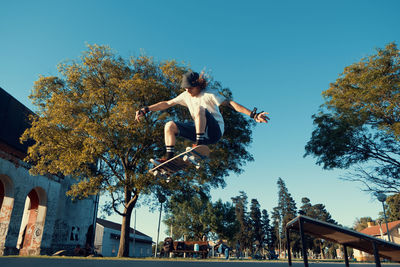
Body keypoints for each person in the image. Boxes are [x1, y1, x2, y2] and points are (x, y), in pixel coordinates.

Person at [136, 71, 269, 162]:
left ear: (198, 86)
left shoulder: (209, 94)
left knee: (200, 109)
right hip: (199, 128)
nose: (187, 90)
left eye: (190, 88)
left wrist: (253, 114)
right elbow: (166, 103)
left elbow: (230, 104)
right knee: (169, 125)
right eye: (185, 88)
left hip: (214, 131)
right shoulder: (185, 95)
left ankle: (199, 144)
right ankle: (169, 157)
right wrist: (146, 109)